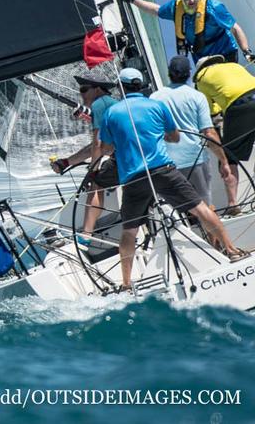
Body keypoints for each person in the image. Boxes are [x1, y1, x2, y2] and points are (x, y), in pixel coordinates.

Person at [99, 68, 244, 290]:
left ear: (121, 87)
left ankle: (127, 283)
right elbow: (174, 137)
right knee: (201, 208)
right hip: (163, 170)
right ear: (141, 85)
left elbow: (107, 148)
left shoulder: (111, 113)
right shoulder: (157, 106)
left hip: (133, 178)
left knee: (129, 230)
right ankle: (232, 251)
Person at [150, 56, 232, 206]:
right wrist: (224, 161)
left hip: (167, 164)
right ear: (189, 73)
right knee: (205, 207)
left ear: (169, 73)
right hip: (196, 160)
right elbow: (209, 133)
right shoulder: (197, 96)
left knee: (180, 210)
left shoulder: (155, 97)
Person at [50, 74, 119, 242]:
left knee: (96, 183)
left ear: (98, 89)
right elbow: (98, 147)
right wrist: (66, 162)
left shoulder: (99, 105)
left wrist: (93, 171)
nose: (81, 94)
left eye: (84, 89)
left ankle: (86, 235)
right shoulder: (112, 104)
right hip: (136, 157)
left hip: (124, 161)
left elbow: (97, 145)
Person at [123, 0, 253, 63]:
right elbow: (156, 10)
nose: (191, 0)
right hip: (203, 59)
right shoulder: (176, 7)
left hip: (226, 52)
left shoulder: (214, 7)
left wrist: (246, 51)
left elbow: (235, 28)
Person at [193, 55, 255, 215]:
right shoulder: (235, 66)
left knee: (229, 158)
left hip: (239, 107)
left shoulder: (201, 78)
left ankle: (233, 205)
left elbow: (208, 112)